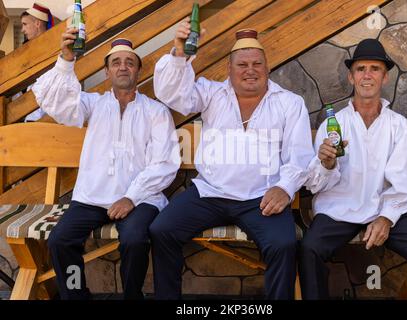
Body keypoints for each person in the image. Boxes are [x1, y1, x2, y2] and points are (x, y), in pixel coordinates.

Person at [150, 21, 315, 300]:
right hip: (210, 193)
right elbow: (169, 93)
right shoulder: (211, 93)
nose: (250, 70)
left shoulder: (289, 102)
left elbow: (299, 155)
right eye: (242, 64)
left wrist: (285, 188)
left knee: (283, 244)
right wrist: (179, 52)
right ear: (229, 70)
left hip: (260, 198)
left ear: (267, 68)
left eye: (257, 64)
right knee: (161, 230)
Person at [32, 30, 180, 299]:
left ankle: (132, 296)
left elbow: (165, 163)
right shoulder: (92, 104)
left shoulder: (156, 111)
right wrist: (66, 60)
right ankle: (76, 295)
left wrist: (130, 197)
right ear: (107, 72)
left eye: (129, 62)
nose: (123, 67)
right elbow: (53, 101)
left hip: (140, 198)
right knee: (60, 241)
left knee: (135, 240)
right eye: (116, 62)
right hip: (92, 196)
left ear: (138, 70)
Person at [299, 38, 407, 300]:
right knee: (309, 249)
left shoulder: (400, 126)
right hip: (340, 209)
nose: (367, 75)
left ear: (385, 77)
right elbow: (315, 185)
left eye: (375, 69)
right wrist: (327, 164)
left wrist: (387, 217)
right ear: (351, 77)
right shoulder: (334, 124)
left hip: (386, 209)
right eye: (361, 69)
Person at [19, 2, 55, 122]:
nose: (22, 30)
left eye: (25, 24)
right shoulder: (24, 49)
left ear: (38, 23)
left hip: (49, 116)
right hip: (29, 115)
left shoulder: (55, 47)